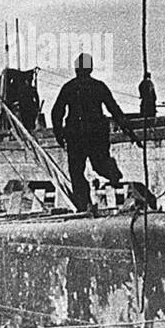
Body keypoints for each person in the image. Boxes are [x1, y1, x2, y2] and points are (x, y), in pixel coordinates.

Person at [51, 53, 139, 212]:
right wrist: (129, 131)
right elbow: (115, 109)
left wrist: (59, 134)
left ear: (76, 68)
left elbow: (56, 112)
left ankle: (83, 207)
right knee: (99, 165)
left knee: (76, 174)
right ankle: (113, 175)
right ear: (90, 68)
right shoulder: (99, 86)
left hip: (76, 136)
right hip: (95, 135)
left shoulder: (69, 87)